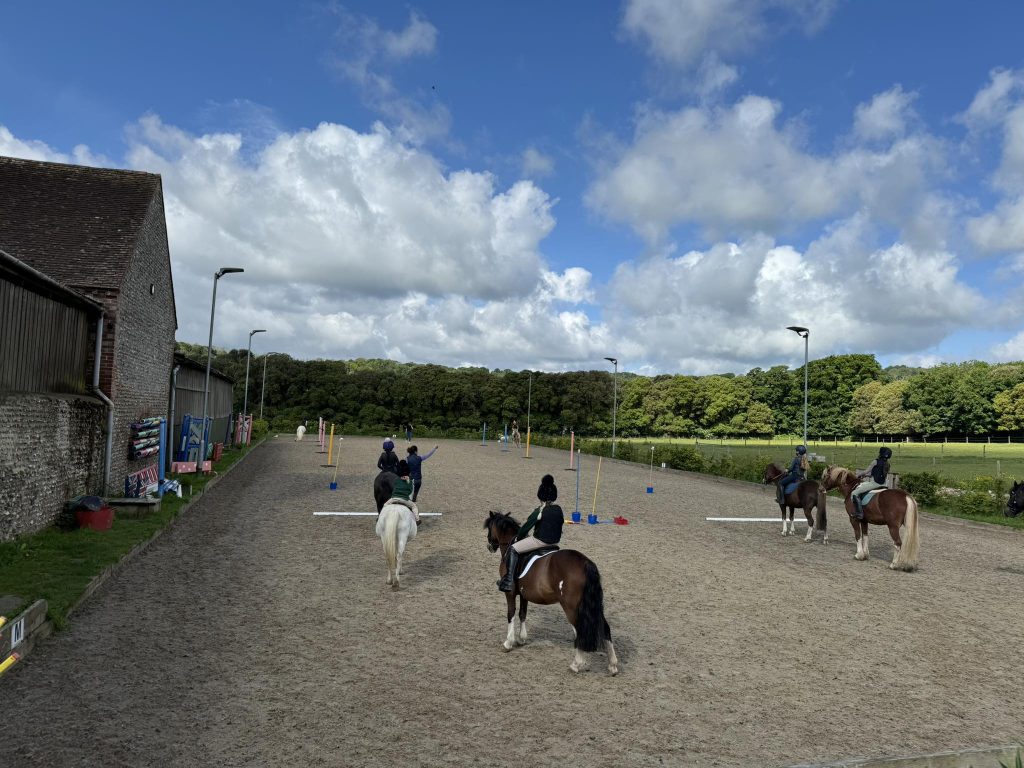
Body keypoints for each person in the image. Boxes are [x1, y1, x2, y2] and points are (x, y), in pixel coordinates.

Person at [498, 475, 564, 593]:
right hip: (555, 542)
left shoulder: (539, 510)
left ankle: (508, 581)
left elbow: (526, 528)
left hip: (540, 541)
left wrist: (519, 537)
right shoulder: (558, 509)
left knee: (513, 549)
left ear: (541, 496)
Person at [851, 447, 892, 519]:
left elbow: (866, 471)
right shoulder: (887, 464)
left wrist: (858, 475)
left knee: (854, 493)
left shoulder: (875, 461)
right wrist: (866, 476)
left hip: (875, 484)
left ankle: (859, 513)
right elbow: (878, 474)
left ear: (880, 454)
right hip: (884, 484)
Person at [387, 459, 420, 524]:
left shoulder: (396, 480)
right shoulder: (409, 481)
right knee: (414, 506)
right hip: (404, 499)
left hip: (394, 498)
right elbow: (410, 491)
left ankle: (381, 518)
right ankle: (417, 520)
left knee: (385, 505)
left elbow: (394, 489)